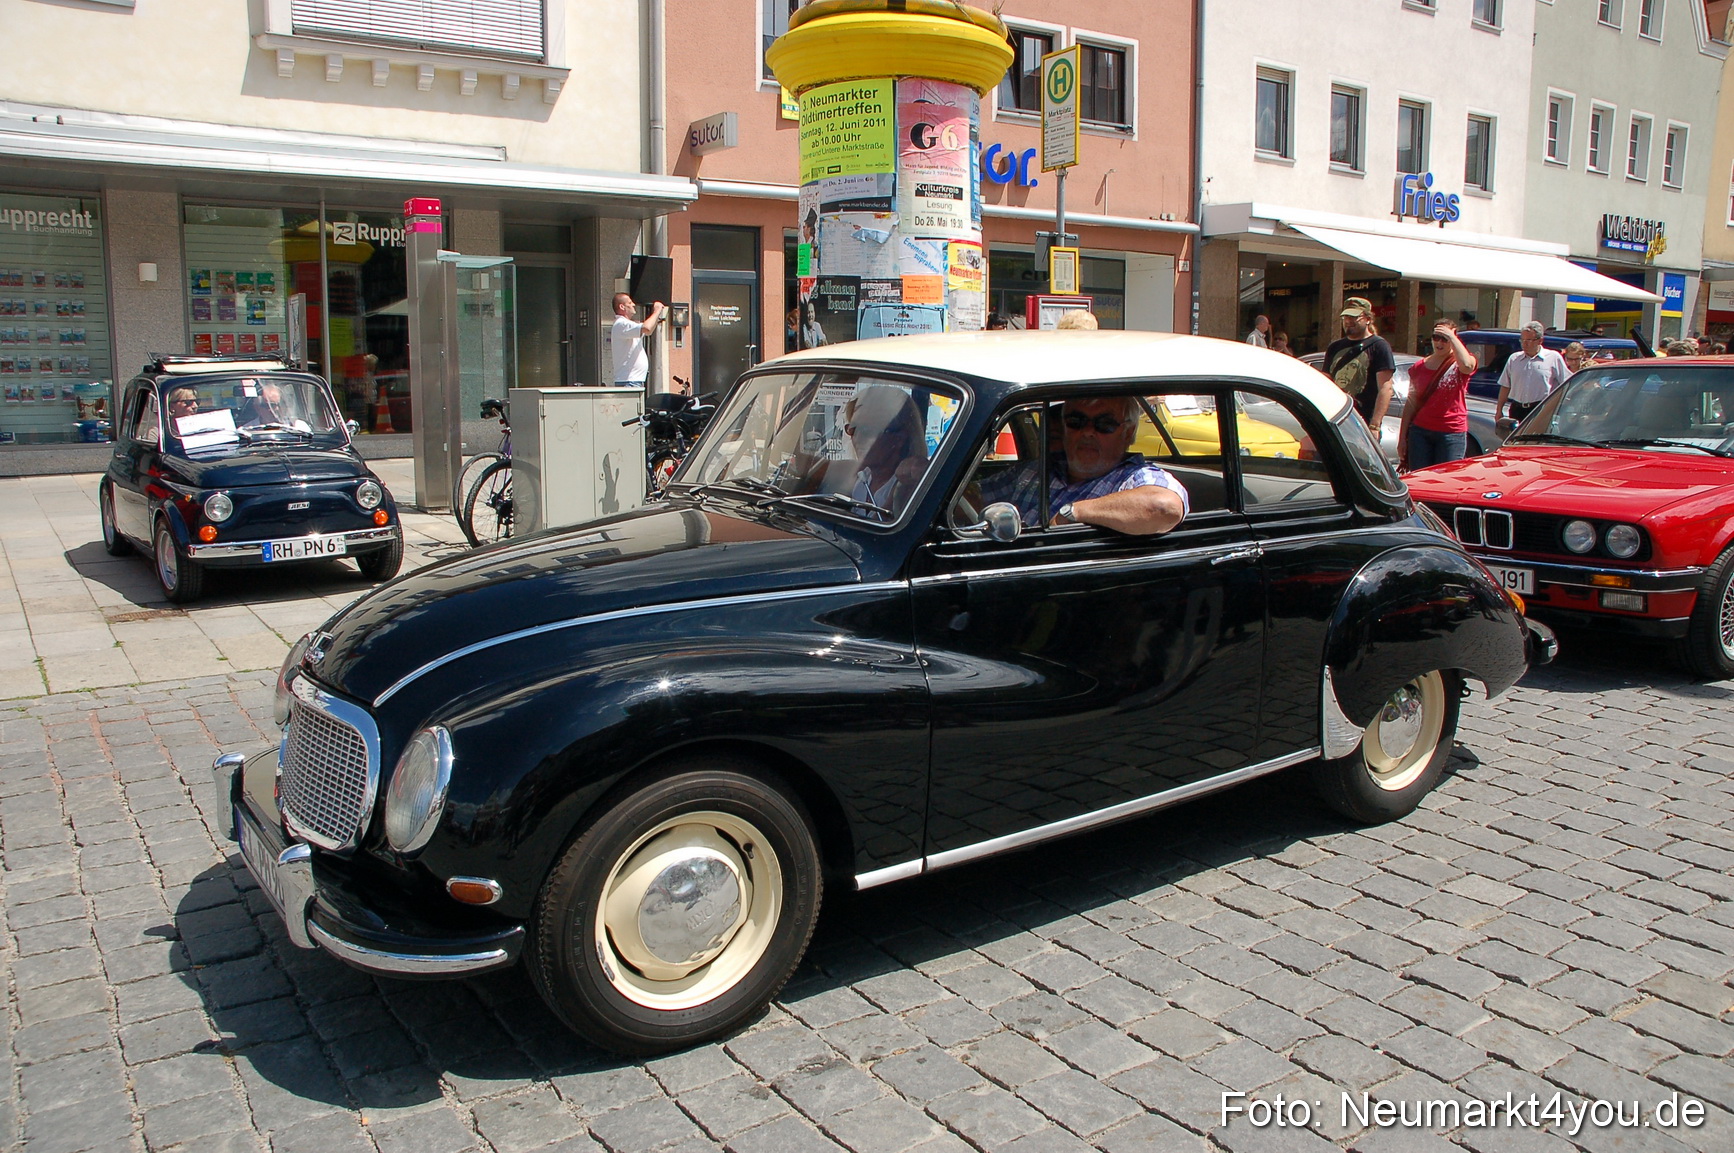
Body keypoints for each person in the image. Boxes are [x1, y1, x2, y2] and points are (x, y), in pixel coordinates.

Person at [982, 396, 1188, 534]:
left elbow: (1164, 507)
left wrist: (1073, 512)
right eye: (1076, 422)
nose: (1088, 432)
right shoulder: (1036, 470)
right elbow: (973, 499)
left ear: (1127, 432)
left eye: (1104, 424)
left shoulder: (1134, 478)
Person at [1399, 320, 1477, 471]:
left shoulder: (1459, 362)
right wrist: (1402, 437)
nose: (1440, 343)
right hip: (1421, 431)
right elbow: (1411, 403)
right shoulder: (1419, 367)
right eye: (1436, 337)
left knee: (1447, 479)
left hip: (1451, 432)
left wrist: (1453, 337)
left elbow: (1467, 366)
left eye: (1445, 338)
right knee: (1420, 478)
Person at [840, 386, 927, 518]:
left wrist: (905, 489)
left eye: (869, 430)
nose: (857, 437)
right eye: (853, 428)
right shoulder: (863, 478)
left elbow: (875, 533)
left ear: (899, 438)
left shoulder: (910, 483)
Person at [1322, 297, 1396, 432]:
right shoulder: (1334, 347)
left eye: (1354, 317)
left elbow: (1386, 389)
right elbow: (1325, 382)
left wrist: (1374, 426)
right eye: (1346, 318)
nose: (1348, 322)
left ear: (1368, 319)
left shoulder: (1379, 346)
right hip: (1335, 419)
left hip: (1362, 423)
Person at [1496, 321, 1569, 422]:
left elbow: (1566, 383)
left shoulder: (1553, 357)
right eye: (1522, 340)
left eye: (1529, 340)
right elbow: (1505, 386)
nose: (1524, 344)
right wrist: (1499, 409)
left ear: (1540, 340)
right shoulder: (1514, 359)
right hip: (1517, 409)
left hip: (1541, 408)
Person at [610, 292, 665, 387]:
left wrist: (656, 316)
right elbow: (647, 328)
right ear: (622, 307)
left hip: (633, 380)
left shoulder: (626, 324)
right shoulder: (622, 324)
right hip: (629, 381)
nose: (633, 305)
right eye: (630, 303)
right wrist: (656, 311)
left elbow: (649, 330)